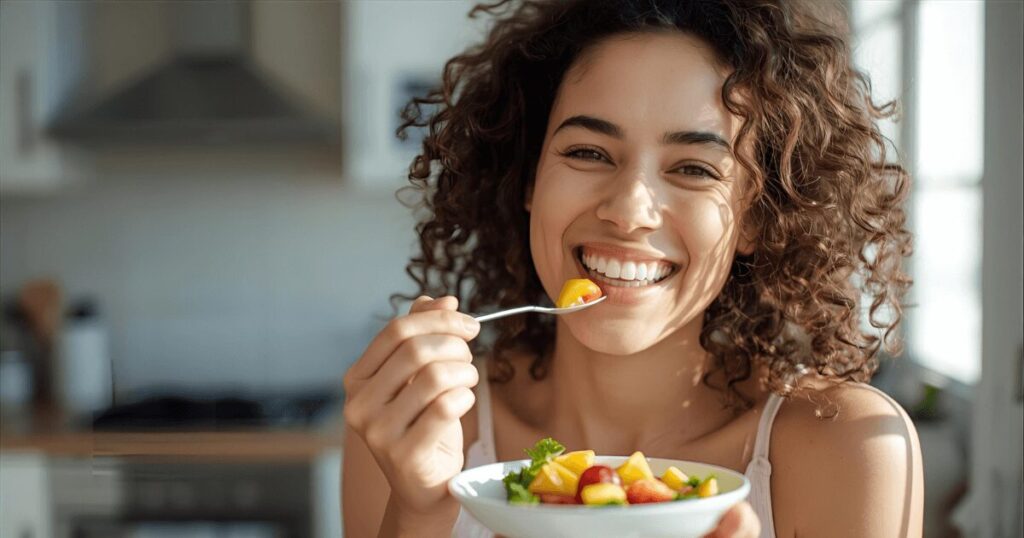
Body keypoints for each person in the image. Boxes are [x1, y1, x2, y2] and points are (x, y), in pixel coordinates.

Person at [342, 0, 923, 536]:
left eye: (694, 168)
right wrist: (418, 511)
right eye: (588, 153)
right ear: (527, 178)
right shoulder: (417, 430)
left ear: (756, 218)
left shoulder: (847, 447)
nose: (628, 211)